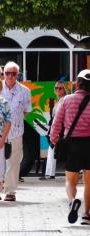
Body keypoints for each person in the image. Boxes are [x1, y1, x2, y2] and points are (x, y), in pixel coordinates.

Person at [50, 69, 90, 225]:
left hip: (72, 144)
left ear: (78, 83)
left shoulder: (66, 100)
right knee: (88, 181)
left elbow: (56, 122)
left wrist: (54, 140)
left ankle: (73, 201)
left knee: (70, 180)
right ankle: (86, 215)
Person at [1, 61, 32, 201]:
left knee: (14, 162)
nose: (10, 76)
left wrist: (15, 120)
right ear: (3, 74)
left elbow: (26, 110)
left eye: (14, 74)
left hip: (16, 131)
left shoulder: (25, 91)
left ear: (18, 75)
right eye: (8, 73)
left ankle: (10, 191)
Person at [40, 81, 67, 181]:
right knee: (52, 151)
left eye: (60, 88)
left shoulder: (63, 100)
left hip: (59, 129)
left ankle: (49, 174)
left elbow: (59, 118)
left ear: (64, 89)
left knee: (52, 150)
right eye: (56, 88)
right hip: (57, 129)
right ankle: (49, 173)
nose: (57, 90)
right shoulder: (59, 100)